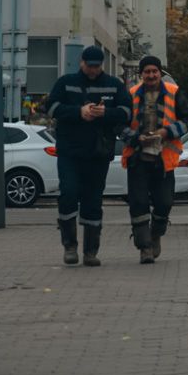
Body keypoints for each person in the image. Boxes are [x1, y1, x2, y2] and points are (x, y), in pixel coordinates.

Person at [45, 45, 132, 266]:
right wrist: (79, 112)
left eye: (97, 66)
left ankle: (91, 252)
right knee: (69, 194)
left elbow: (127, 112)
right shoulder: (66, 83)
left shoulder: (113, 85)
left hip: (98, 153)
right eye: (89, 65)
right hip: (69, 152)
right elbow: (51, 107)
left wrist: (105, 113)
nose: (93, 70)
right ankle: (70, 246)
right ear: (81, 63)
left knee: (93, 201)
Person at [121, 56, 188, 264]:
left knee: (164, 203)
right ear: (141, 74)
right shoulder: (131, 94)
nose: (151, 75)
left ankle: (156, 234)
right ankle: (144, 247)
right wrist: (137, 138)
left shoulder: (174, 92)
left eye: (154, 71)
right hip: (138, 156)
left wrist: (167, 132)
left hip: (164, 158)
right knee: (138, 203)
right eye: (147, 72)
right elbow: (119, 124)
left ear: (160, 73)